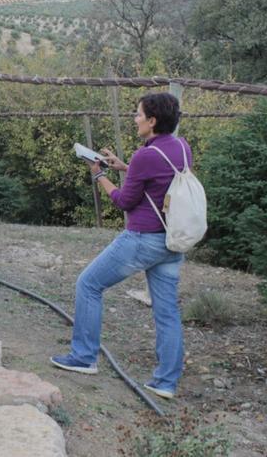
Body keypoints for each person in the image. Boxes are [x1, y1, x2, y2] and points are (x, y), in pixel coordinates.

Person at [51, 92, 191, 400]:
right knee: (167, 312)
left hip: (142, 239)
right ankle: (165, 382)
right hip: (171, 241)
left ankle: (84, 357)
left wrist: (99, 173)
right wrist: (124, 167)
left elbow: (124, 200)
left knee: (88, 284)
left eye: (138, 114)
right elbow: (160, 179)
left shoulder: (146, 155)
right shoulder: (181, 147)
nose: (135, 118)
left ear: (152, 121)